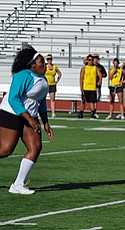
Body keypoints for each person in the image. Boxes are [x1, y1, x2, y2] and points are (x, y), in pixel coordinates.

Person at [0, 46, 54, 194]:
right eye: (41, 63)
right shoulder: (23, 75)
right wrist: (29, 119)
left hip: (29, 117)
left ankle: (18, 184)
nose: (45, 65)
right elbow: (13, 98)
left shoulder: (43, 79)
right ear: (32, 65)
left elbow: (41, 101)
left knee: (36, 146)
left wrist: (45, 122)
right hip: (11, 113)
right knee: (5, 150)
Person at [79, 54, 102, 119]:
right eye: (89, 60)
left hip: (92, 88)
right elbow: (81, 78)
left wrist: (99, 82)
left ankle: (92, 113)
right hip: (85, 87)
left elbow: (100, 75)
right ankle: (81, 112)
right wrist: (81, 88)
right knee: (83, 101)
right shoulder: (84, 68)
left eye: (91, 60)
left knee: (92, 102)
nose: (90, 61)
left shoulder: (95, 68)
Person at [44, 54, 62, 118]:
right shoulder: (45, 66)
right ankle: (40, 112)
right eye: (48, 59)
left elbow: (60, 74)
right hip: (45, 85)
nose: (49, 60)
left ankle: (53, 112)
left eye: (50, 59)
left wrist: (57, 81)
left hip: (52, 85)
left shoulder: (54, 67)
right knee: (42, 99)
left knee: (52, 99)